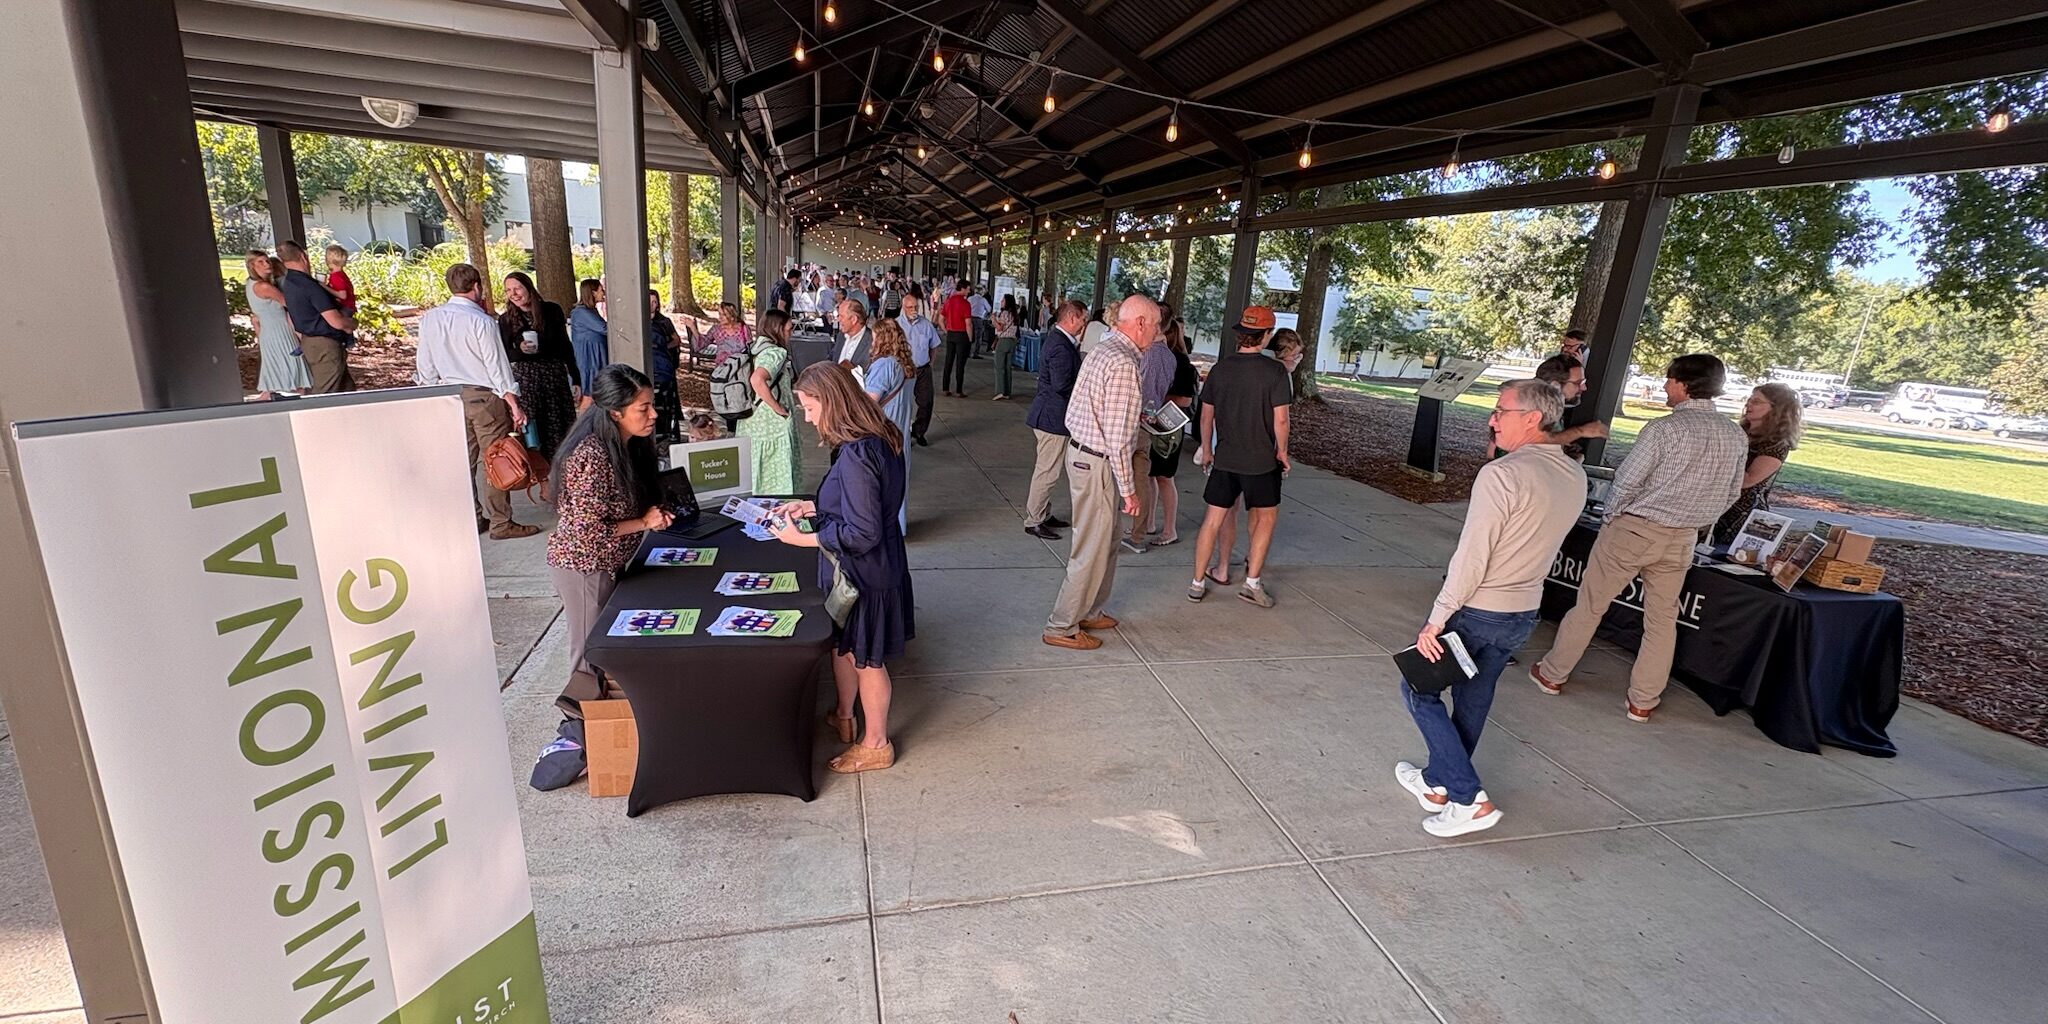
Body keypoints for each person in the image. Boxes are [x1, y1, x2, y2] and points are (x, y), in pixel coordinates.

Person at [1397, 379, 1586, 838]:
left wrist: (1438, 616)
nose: (1492, 419)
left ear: (1533, 418)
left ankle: (1468, 796)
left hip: (1480, 610)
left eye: (1501, 410)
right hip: (1522, 612)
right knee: (1474, 699)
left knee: (1417, 691)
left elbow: (1472, 555)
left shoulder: (1502, 474)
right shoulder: (1573, 474)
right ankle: (1436, 782)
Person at [1532, 353, 1747, 722]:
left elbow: (1626, 481)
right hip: (1683, 538)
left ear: (1682, 383)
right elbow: (1732, 492)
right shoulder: (1735, 435)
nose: (1664, 386)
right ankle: (1643, 700)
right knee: (1662, 621)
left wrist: (1614, 518)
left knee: (1590, 606)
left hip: (1635, 528)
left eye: (1668, 379)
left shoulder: (1663, 429)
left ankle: (1553, 674)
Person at [768, 363, 914, 774]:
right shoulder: (878, 437)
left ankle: (876, 742)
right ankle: (844, 715)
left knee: (867, 659)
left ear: (832, 402)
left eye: (810, 408)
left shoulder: (856, 454)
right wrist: (813, 507)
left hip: (866, 574)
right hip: (879, 566)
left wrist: (804, 538)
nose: (808, 417)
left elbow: (863, 531)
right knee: (846, 647)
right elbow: (861, 501)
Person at [545, 365, 673, 720]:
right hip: (584, 567)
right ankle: (578, 731)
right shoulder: (592, 455)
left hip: (607, 562)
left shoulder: (626, 443)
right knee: (589, 656)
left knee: (603, 647)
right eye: (642, 408)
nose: (653, 414)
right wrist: (643, 522)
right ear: (615, 412)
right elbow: (587, 530)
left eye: (652, 404)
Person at [1043, 295, 1159, 651]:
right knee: (1091, 548)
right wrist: (1129, 490)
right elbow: (1120, 439)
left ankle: (1090, 610)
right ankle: (1062, 625)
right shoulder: (1124, 362)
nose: (1157, 333)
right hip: (1098, 461)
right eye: (1155, 325)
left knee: (1105, 542)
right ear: (1140, 323)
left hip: (1086, 455)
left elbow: (1097, 412)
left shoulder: (1106, 348)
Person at [413, 263, 536, 540]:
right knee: (496, 457)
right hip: (482, 395)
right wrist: (512, 401)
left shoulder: (430, 319)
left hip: (447, 394)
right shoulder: (481, 321)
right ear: (477, 286)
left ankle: (471, 516)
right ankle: (501, 522)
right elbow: (496, 365)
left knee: (462, 460)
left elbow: (425, 364)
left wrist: (430, 391)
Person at [1189, 307, 1292, 607]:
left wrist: (1207, 449)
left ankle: (1197, 583)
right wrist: (1282, 452)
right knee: (1266, 518)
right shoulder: (1275, 372)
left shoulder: (1220, 369)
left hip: (1225, 457)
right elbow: (1281, 420)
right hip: (1261, 460)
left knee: (1212, 519)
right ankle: (1252, 583)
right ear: (1266, 335)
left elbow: (1206, 416)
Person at [1022, 299, 1086, 540]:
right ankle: (1034, 520)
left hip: (1051, 415)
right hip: (1052, 417)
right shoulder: (1061, 345)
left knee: (1049, 470)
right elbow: (1061, 385)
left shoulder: (1060, 340)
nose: (1084, 323)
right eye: (1082, 318)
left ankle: (1043, 513)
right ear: (1071, 318)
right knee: (1047, 472)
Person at [1710, 382, 1805, 545]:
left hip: (1739, 515)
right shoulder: (1738, 433)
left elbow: (1748, 480)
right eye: (1749, 399)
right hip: (1715, 505)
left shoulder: (1776, 444)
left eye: (1757, 401)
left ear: (1776, 409)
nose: (1748, 404)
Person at [498, 271, 578, 458]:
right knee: (534, 434)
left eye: (517, 288)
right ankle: (543, 479)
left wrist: (576, 377)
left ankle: (563, 474)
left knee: (561, 432)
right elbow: (504, 354)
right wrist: (520, 349)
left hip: (553, 377)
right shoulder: (506, 319)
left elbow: (565, 346)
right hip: (527, 382)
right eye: (508, 290)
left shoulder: (551, 310)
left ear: (529, 288)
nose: (514, 294)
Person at [1123, 309, 1179, 553]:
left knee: (1136, 477)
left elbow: (1140, 387)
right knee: (1143, 477)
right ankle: (1139, 531)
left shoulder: (1148, 355)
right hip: (1150, 419)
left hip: (1136, 420)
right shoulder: (1169, 356)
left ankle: (1136, 532)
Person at [1143, 316, 1198, 548]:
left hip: (1168, 428)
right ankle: (1148, 522)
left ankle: (1169, 529)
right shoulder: (1169, 358)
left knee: (1165, 478)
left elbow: (1185, 400)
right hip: (1156, 424)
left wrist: (1156, 398)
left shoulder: (1180, 363)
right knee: (1150, 475)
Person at [735, 308, 803, 495]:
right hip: (772, 426)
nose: (791, 333)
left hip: (750, 419)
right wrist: (779, 409)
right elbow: (757, 379)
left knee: (756, 472)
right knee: (778, 477)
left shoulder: (754, 347)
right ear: (777, 329)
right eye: (788, 329)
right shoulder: (776, 353)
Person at [275, 239, 356, 394]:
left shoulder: (289, 283)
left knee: (346, 390)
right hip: (325, 344)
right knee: (324, 392)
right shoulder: (309, 285)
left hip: (308, 340)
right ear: (303, 256)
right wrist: (352, 324)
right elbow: (336, 321)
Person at [863, 319, 917, 533]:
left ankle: (880, 528)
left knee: (880, 483)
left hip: (882, 431)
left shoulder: (884, 365)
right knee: (898, 482)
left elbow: (870, 400)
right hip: (900, 431)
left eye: (875, 336)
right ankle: (897, 527)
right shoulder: (906, 365)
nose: (872, 340)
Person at [243, 250, 310, 397]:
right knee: (292, 376)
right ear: (252, 266)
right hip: (280, 332)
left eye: (267, 260)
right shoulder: (263, 287)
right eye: (261, 262)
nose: (267, 264)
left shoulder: (251, 284)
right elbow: (289, 303)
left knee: (277, 376)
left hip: (269, 331)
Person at [897, 292, 941, 445]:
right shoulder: (896, 326)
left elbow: (934, 345)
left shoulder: (926, 324)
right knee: (903, 403)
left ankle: (919, 431)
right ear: (904, 307)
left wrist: (930, 363)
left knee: (926, 402)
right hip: (903, 371)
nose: (914, 310)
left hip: (923, 369)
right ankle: (903, 433)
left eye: (916, 307)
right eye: (910, 307)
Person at [648, 290, 683, 442]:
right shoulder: (640, 320)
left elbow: (676, 340)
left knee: (667, 404)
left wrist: (662, 346)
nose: (652, 305)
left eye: (654, 302)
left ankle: (669, 435)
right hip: (649, 367)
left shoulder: (664, 321)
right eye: (649, 302)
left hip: (663, 367)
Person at [570, 278, 609, 395]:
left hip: (596, 356)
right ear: (593, 292)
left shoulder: (591, 311)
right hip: (590, 358)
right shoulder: (581, 312)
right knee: (590, 394)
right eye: (601, 290)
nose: (604, 293)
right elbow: (604, 328)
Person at [940, 281, 973, 396]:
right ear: (962, 289)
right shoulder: (965, 304)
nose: (969, 291)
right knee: (960, 363)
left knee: (948, 361)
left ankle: (945, 388)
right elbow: (968, 323)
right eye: (968, 289)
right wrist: (970, 338)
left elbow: (940, 319)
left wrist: (946, 330)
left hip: (951, 334)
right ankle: (959, 390)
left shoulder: (948, 301)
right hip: (962, 335)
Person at [991, 297, 1021, 400]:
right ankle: (1007, 391)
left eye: (1003, 300)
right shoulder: (1014, 314)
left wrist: (993, 318)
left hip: (1003, 341)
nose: (1001, 302)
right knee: (1007, 367)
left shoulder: (1004, 314)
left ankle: (1000, 391)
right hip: (1012, 341)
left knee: (999, 366)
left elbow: (999, 327)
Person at [706, 302, 752, 368]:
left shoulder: (744, 329)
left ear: (732, 316)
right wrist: (693, 328)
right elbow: (703, 342)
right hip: (722, 369)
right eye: (719, 314)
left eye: (724, 314)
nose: (720, 317)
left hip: (741, 368)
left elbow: (750, 347)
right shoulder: (716, 329)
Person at [834, 299, 873, 369]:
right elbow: (832, 358)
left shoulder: (872, 341)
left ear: (854, 319)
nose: (838, 319)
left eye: (841, 316)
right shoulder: (841, 336)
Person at [322, 244, 358, 313]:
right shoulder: (340, 274)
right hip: (348, 307)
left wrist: (324, 286)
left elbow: (343, 295)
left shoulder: (336, 276)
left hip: (345, 307)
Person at [968, 284, 993, 358]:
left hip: (969, 319)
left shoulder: (970, 298)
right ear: (981, 292)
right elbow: (989, 309)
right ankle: (975, 353)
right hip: (979, 319)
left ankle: (967, 352)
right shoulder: (983, 300)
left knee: (969, 336)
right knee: (978, 337)